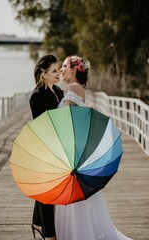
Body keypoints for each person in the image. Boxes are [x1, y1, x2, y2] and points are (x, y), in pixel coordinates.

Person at [55, 55, 133, 240]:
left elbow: (68, 121)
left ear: (74, 70)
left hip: (71, 146)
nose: (61, 70)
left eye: (64, 66)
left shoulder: (72, 88)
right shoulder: (76, 88)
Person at [29, 54, 63, 240]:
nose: (58, 73)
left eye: (58, 69)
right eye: (54, 71)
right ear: (44, 74)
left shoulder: (59, 91)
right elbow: (42, 126)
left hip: (59, 146)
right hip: (46, 147)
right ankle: (50, 235)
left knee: (49, 188)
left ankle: (37, 222)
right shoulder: (37, 96)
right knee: (48, 191)